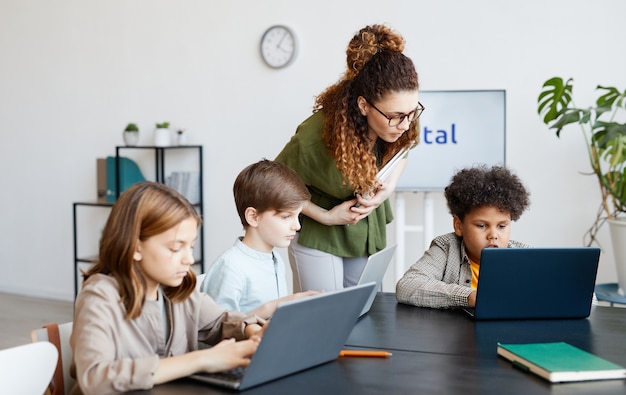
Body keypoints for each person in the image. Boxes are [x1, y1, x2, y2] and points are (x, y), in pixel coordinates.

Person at [70, 181, 286, 394]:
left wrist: (253, 330)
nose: (189, 259)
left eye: (190, 247)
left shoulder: (179, 290)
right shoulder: (99, 296)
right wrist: (202, 360)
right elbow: (96, 378)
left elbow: (219, 320)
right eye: (175, 248)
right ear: (135, 248)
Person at [275, 24, 422, 292]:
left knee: (365, 314)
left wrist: (387, 187)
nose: (405, 124)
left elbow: (405, 149)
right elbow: (274, 183)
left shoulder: (404, 118)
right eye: (396, 116)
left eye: (412, 113)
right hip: (318, 231)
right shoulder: (314, 136)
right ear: (364, 105)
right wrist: (325, 216)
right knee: (324, 317)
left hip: (365, 229)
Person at [395, 165, 531, 309]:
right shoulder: (446, 249)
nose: (493, 235)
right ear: (459, 225)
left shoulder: (526, 256)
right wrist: (468, 296)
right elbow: (407, 285)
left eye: (502, 226)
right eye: (481, 226)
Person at [200, 159, 312, 313]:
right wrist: (271, 308)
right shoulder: (230, 268)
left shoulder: (275, 259)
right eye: (286, 217)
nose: (297, 226)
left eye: (298, 216)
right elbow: (216, 327)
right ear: (253, 217)